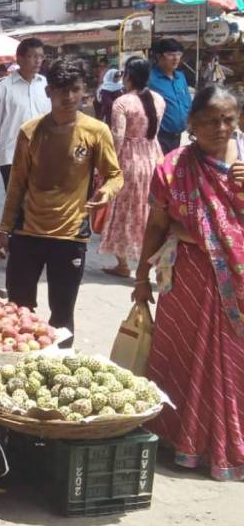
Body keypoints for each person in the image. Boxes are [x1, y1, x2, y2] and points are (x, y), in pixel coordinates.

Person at [132, 85, 244, 481]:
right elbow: (158, 225)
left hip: (237, 288)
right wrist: (141, 277)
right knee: (183, 356)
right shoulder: (174, 167)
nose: (221, 127)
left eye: (229, 119)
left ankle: (231, 446)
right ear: (192, 124)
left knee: (235, 365)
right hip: (189, 282)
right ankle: (183, 440)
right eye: (211, 120)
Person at [0, 58, 123, 336]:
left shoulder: (96, 131)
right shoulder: (30, 132)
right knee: (18, 312)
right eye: (62, 90)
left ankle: (61, 371)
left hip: (70, 237)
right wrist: (4, 230)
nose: (69, 97)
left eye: (75, 89)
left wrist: (106, 192)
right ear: (48, 91)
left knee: (62, 316)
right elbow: (16, 186)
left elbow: (115, 175)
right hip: (27, 232)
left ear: (84, 90)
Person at [99, 57, 166, 277]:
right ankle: (156, 264)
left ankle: (123, 263)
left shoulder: (122, 102)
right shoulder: (158, 99)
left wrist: (107, 169)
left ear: (128, 75)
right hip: (154, 158)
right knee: (150, 214)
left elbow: (117, 138)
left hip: (129, 161)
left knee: (124, 213)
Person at [0, 38, 51, 189]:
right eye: (33, 56)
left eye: (41, 57)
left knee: (41, 206)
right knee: (17, 208)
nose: (38, 61)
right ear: (20, 58)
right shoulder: (4, 88)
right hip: (12, 157)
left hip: (43, 156)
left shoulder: (46, 85)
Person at [148, 38, 193, 154]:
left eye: (179, 54)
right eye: (171, 54)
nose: (176, 58)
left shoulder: (180, 77)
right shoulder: (150, 79)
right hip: (159, 137)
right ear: (159, 56)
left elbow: (187, 101)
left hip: (178, 136)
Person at [94, 61, 123, 125]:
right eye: (116, 76)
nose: (118, 78)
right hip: (109, 115)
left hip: (120, 116)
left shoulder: (120, 86)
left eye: (119, 76)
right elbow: (108, 104)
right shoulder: (104, 89)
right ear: (111, 76)